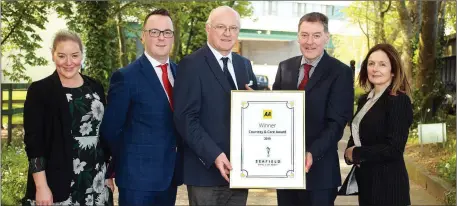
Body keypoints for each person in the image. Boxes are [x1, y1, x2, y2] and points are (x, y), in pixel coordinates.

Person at [173, 6, 258, 206]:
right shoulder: (191, 65)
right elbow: (185, 118)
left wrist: (257, 104)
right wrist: (215, 155)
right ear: (208, 28)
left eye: (233, 28)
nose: (227, 33)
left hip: (240, 173)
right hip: (205, 172)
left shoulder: (243, 65)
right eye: (221, 27)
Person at [100, 9, 182, 206]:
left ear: (172, 37)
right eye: (154, 32)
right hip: (137, 182)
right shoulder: (126, 77)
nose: (161, 38)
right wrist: (125, 162)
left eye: (167, 32)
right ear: (144, 36)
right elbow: (111, 130)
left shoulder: (181, 74)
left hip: (169, 178)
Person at [22, 30, 114, 206]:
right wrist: (41, 187)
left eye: (74, 55)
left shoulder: (95, 87)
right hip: (58, 184)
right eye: (62, 56)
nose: (69, 62)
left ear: (82, 55)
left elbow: (103, 134)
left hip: (96, 180)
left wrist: (108, 175)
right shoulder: (40, 91)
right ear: (53, 55)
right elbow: (34, 144)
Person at [272, 12, 354, 206]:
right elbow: (275, 111)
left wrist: (311, 153)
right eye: (304, 35)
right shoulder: (285, 68)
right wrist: (254, 101)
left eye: (316, 35)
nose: (310, 41)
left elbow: (337, 123)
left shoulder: (340, 72)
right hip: (285, 171)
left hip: (320, 173)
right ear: (298, 36)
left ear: (327, 37)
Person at [342, 43, 412, 205]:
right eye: (371, 63)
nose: (375, 69)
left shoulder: (399, 100)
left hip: (388, 187)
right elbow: (358, 132)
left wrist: (357, 153)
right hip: (366, 183)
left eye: (382, 64)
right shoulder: (364, 100)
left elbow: (394, 148)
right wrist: (349, 152)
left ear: (393, 70)